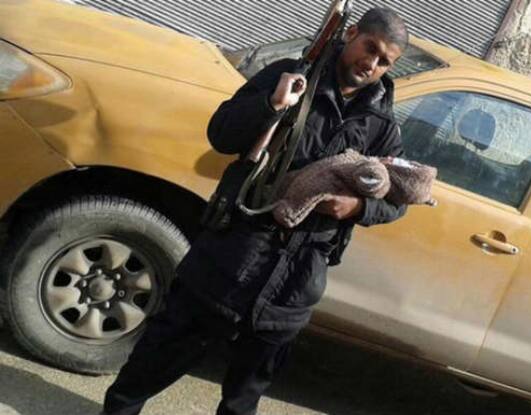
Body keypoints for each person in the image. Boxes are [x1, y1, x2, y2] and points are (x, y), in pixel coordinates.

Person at [102, 7, 408, 415]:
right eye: (370, 48)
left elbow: (397, 201)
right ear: (351, 34)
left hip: (293, 283)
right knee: (154, 362)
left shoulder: (382, 125)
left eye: (384, 61)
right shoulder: (291, 76)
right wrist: (272, 103)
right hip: (230, 258)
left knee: (243, 400)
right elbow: (221, 134)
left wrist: (358, 207)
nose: (371, 64)